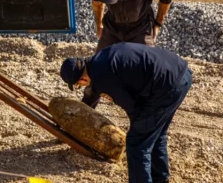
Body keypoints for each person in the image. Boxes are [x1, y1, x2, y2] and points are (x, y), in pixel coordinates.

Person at [59, 42, 193, 183]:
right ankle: (160, 179)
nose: (82, 86)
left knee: (136, 143)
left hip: (166, 86)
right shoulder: (101, 56)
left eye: (79, 86)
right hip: (181, 73)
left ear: (82, 79)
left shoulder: (101, 79)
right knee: (155, 133)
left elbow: (132, 108)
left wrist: (138, 129)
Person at [83, 0, 173, 108]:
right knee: (97, 67)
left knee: (145, 71)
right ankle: (87, 108)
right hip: (112, 27)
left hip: (140, 28)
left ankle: (145, 117)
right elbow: (97, 3)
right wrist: (99, 25)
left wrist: (157, 24)